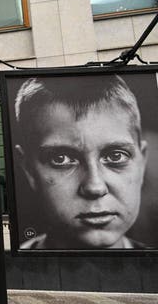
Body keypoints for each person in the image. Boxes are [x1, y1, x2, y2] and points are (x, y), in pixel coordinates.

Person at [13, 75, 148, 249]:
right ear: (28, 169)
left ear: (142, 162)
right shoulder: (15, 272)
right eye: (61, 159)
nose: (95, 187)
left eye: (116, 156)